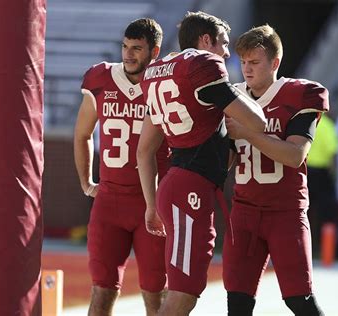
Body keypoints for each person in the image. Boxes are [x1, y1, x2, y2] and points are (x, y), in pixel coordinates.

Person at [137, 11, 267, 316]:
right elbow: (258, 122)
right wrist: (233, 93)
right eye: (222, 43)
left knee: (187, 289)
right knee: (183, 292)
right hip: (189, 189)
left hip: (181, 184)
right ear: (205, 40)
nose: (225, 51)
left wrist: (151, 204)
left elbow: (144, 151)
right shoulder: (202, 66)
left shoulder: (161, 71)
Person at [223, 25, 329, 316]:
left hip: (285, 212)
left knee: (299, 300)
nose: (247, 69)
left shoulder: (300, 94)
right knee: (238, 302)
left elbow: (295, 155)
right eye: (243, 61)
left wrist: (247, 133)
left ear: (275, 63)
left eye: (254, 62)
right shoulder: (232, 97)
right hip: (243, 211)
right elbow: (227, 162)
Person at [73, 18, 169, 316]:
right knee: (102, 291)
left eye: (136, 49)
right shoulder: (101, 78)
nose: (128, 54)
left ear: (154, 51)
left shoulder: (165, 83)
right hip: (110, 202)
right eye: (125, 47)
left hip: (152, 203)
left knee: (156, 294)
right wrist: (86, 181)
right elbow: (82, 134)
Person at [307, 114, 338, 254]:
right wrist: (334, 175)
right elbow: (333, 153)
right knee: (326, 211)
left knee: (304, 210)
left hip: (304, 170)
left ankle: (305, 244)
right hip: (321, 173)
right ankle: (326, 247)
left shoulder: (306, 121)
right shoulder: (327, 126)